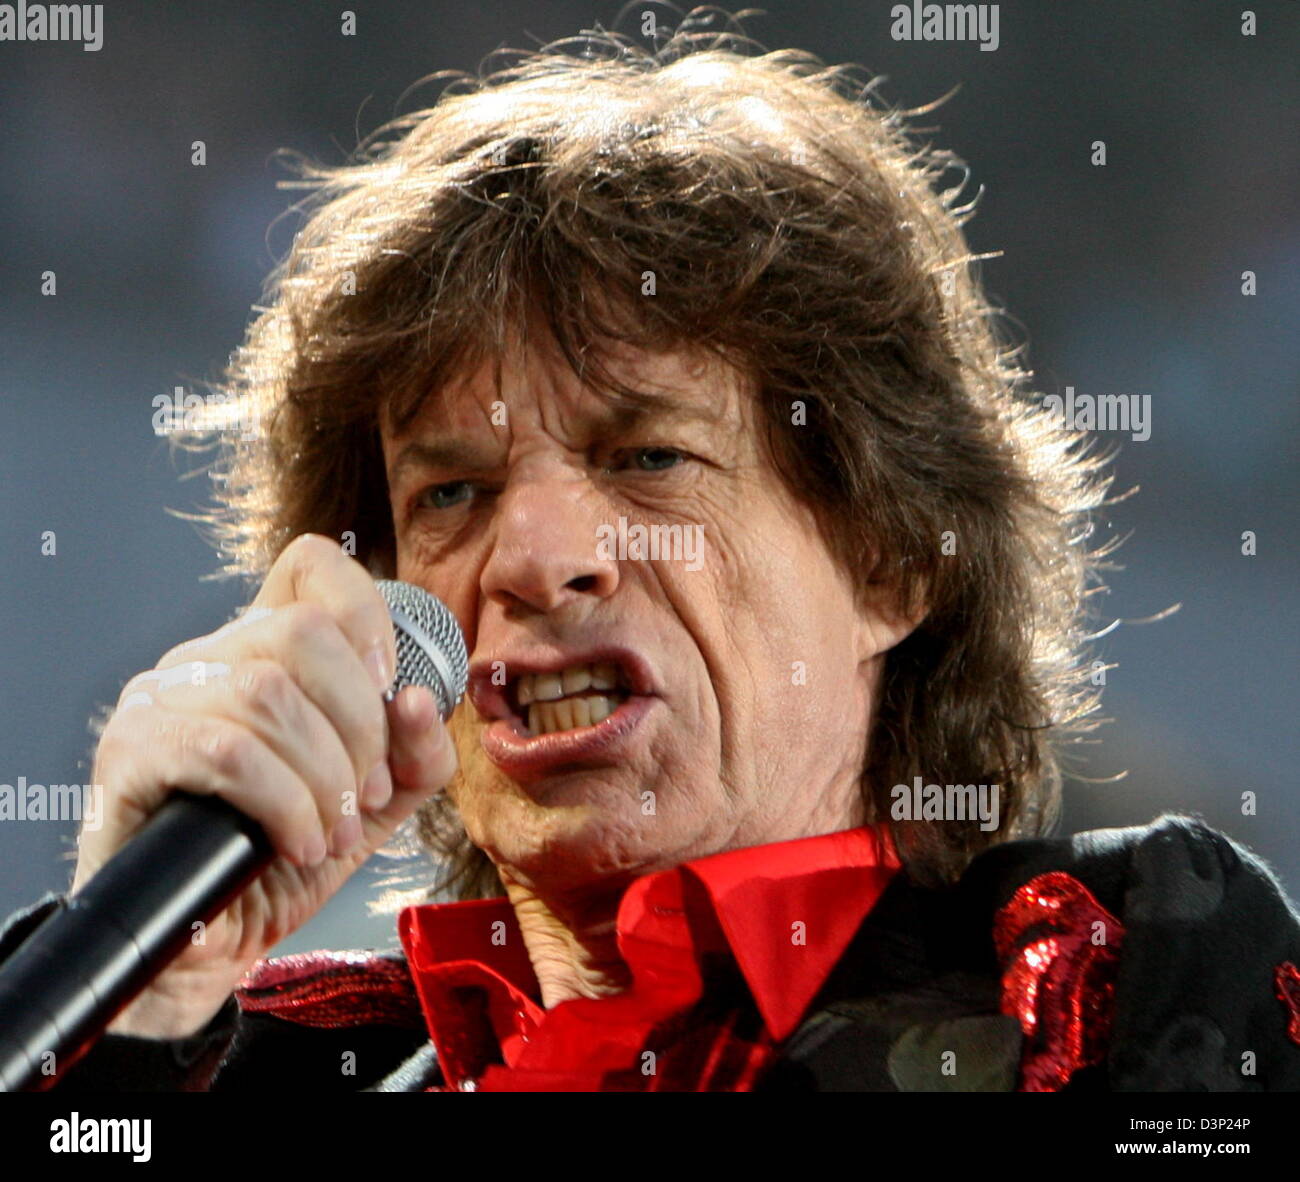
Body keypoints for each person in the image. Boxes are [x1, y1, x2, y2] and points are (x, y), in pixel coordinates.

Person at [4, 16, 1298, 1093]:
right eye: (449, 488)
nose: (534, 559)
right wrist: (142, 998)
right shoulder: (259, 1065)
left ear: (894, 554)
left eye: (647, 457)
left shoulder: (1120, 991)